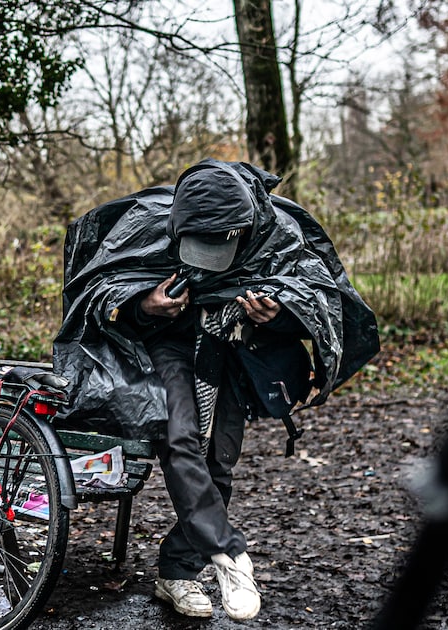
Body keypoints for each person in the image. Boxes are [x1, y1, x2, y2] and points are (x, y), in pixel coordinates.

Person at [54, 159, 379, 620]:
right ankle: (229, 555)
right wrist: (146, 305)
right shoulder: (147, 227)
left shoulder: (276, 235)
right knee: (179, 436)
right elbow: (103, 296)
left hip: (228, 347)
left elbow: (316, 302)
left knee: (218, 461)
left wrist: (277, 316)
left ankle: (177, 572)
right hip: (166, 345)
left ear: (241, 232)